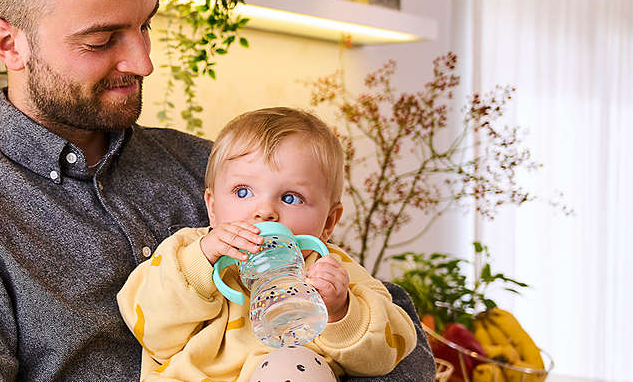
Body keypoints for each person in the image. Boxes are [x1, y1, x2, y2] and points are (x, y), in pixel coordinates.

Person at [0, 0, 435, 380]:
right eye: (101, 40)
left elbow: (394, 345)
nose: (143, 62)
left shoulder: (216, 170)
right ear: (9, 43)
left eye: (146, 26)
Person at [117, 107, 418, 381]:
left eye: (290, 198)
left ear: (328, 222)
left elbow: (386, 354)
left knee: (293, 366)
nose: (264, 211)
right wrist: (201, 264)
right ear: (212, 206)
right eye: (243, 191)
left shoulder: (334, 272)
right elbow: (151, 330)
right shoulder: (186, 253)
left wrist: (341, 311)